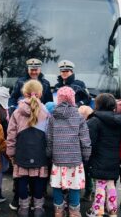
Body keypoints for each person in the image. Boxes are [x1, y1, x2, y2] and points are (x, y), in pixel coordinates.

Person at [7, 80, 50, 217]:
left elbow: (11, 135)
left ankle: (24, 208)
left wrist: (11, 152)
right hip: (40, 153)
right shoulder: (46, 112)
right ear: (41, 93)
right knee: (39, 181)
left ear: (24, 93)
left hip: (21, 152)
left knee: (21, 180)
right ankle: (38, 208)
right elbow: (49, 135)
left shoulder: (17, 112)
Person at [47, 86, 91, 217]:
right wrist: (86, 155)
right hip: (75, 159)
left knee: (57, 185)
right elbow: (85, 139)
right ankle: (74, 212)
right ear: (73, 98)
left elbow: (49, 138)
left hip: (58, 158)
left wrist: (49, 154)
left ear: (58, 99)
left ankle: (58, 211)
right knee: (74, 186)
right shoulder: (79, 116)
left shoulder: (53, 117)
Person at [85, 93, 121, 217]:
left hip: (99, 157)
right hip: (114, 157)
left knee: (100, 184)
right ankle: (112, 210)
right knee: (110, 183)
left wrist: (89, 158)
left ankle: (98, 210)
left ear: (98, 105)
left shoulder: (94, 120)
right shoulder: (120, 121)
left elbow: (90, 142)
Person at [77, 105, 94, 202]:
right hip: (89, 153)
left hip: (80, 154)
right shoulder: (92, 124)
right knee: (88, 174)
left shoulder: (81, 125)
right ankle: (89, 192)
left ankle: (78, 191)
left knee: (80, 174)